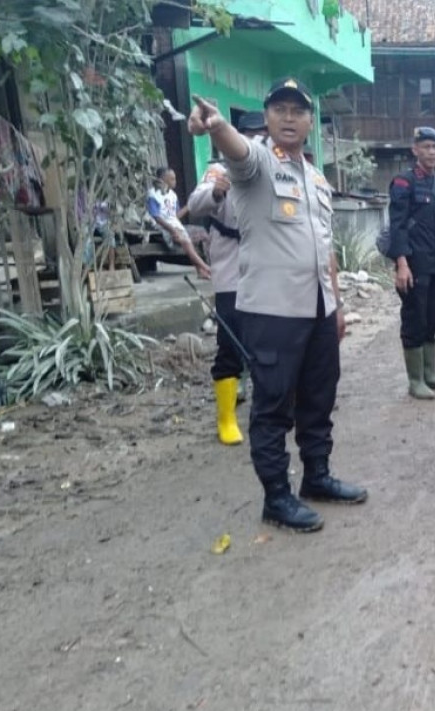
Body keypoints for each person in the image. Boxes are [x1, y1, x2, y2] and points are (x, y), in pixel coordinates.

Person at [187, 77, 367, 533]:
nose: (289, 118)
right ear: (267, 117)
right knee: (272, 407)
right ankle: (276, 498)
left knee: (319, 398)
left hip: (318, 309)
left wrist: (338, 304)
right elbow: (238, 152)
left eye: (298, 111)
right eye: (279, 110)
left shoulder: (315, 177)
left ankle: (317, 476)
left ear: (310, 121)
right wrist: (215, 125)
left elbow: (323, 245)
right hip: (272, 312)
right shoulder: (258, 163)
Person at [185, 110, 268, 446]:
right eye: (254, 134)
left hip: (267, 268)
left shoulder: (271, 169)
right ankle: (227, 418)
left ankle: (269, 406)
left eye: (265, 134)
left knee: (268, 341)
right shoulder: (219, 170)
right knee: (231, 343)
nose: (259, 140)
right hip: (232, 269)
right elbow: (194, 203)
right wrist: (217, 193)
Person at [387, 126, 435, 400]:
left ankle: (430, 374)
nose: (431, 152)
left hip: (434, 264)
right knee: (414, 319)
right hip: (412, 264)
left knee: (432, 317)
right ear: (415, 150)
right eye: (426, 147)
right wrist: (401, 264)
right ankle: (415, 380)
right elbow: (396, 227)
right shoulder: (404, 183)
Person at [146, 167, 211, 280]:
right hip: (161, 226)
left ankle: (201, 270)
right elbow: (156, 217)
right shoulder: (152, 194)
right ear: (163, 179)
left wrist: (188, 206)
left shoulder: (173, 195)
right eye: (172, 179)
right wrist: (172, 229)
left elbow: (175, 216)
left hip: (175, 225)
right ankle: (205, 267)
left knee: (202, 233)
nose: (175, 181)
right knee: (185, 241)